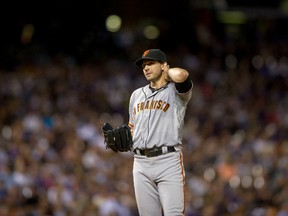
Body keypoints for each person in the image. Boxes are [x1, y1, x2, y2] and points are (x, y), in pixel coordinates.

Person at [128, 49, 193, 216]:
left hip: (168, 161)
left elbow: (182, 75)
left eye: (151, 63)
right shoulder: (136, 95)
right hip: (140, 162)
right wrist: (124, 140)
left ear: (164, 66)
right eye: (144, 65)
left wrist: (167, 71)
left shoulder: (176, 92)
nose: (146, 68)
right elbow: (132, 127)